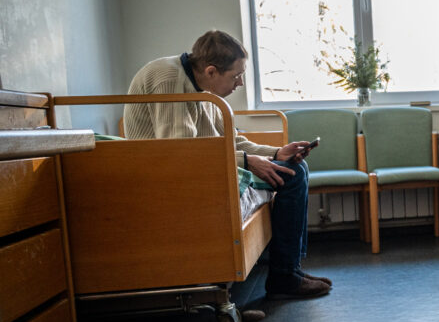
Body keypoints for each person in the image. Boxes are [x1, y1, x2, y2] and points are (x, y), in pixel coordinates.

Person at [124, 30, 332, 304]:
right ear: (211, 71)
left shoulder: (203, 90)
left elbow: (231, 141)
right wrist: (248, 162)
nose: (240, 83)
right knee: (292, 177)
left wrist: (275, 152)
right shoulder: (170, 80)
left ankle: (289, 270)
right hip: (166, 177)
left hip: (197, 166)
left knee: (294, 168)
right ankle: (284, 276)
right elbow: (181, 152)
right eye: (235, 76)